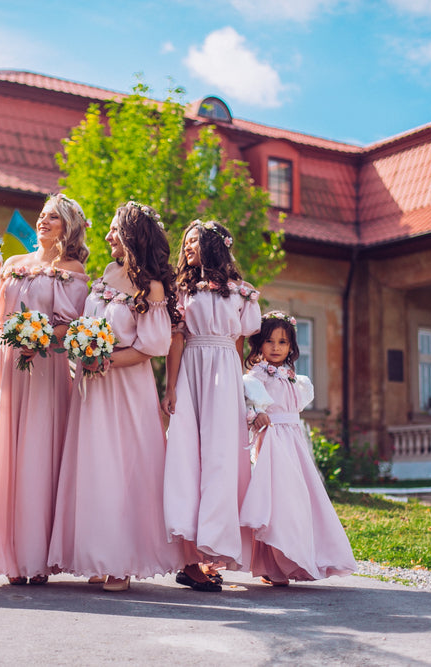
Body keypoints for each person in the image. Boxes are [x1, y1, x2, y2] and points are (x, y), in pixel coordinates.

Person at [48, 201, 184, 592]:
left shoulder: (152, 286)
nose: (107, 237)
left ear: (131, 235)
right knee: (93, 467)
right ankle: (96, 554)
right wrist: (81, 349)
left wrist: (104, 361)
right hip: (91, 389)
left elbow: (152, 347)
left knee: (123, 468)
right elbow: (87, 323)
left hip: (127, 388)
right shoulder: (108, 272)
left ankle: (121, 562)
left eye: (113, 230)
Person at [0, 194, 90, 585]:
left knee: (40, 455)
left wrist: (41, 337)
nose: (43, 222)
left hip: (46, 369)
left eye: (53, 218)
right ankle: (8, 554)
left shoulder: (73, 270)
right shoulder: (11, 264)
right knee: (8, 455)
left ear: (68, 227)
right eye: (42, 216)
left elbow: (71, 326)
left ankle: (36, 557)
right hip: (9, 368)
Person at [161, 220, 261, 592]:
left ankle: (211, 551)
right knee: (187, 456)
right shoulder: (181, 290)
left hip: (225, 376)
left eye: (195, 242)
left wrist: (243, 390)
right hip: (192, 372)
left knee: (221, 460)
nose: (187, 249)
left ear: (214, 245)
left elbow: (238, 343)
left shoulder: (242, 293)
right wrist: (170, 388)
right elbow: (176, 341)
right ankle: (189, 557)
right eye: (185, 243)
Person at [240, 311, 358, 586]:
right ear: (259, 345)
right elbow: (247, 408)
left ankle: (294, 559)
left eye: (282, 342)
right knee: (277, 502)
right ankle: (272, 565)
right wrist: (256, 414)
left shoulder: (295, 379)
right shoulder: (255, 378)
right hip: (272, 444)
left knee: (298, 502)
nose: (276, 347)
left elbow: (295, 410)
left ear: (292, 346)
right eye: (269, 341)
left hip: (294, 445)